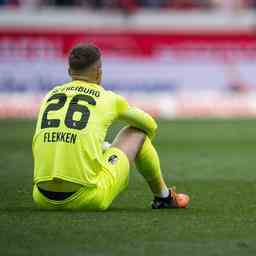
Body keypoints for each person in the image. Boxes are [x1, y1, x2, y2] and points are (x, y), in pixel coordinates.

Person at [32, 43, 190, 210]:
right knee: (137, 132)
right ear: (99, 71)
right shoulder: (108, 99)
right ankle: (164, 198)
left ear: (69, 72)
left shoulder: (49, 96)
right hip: (87, 198)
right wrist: (128, 152)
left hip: (41, 198)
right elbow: (150, 125)